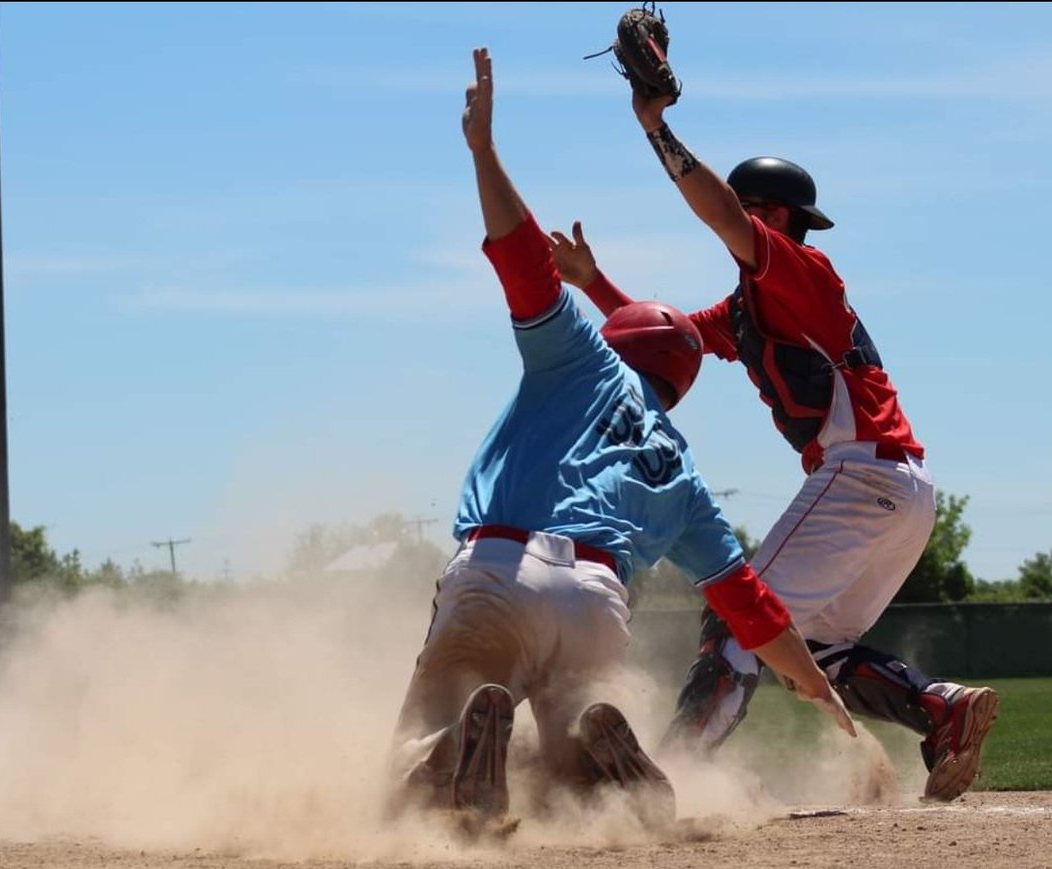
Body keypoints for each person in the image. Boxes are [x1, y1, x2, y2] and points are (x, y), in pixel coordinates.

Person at [387, 47, 856, 833]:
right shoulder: (682, 471)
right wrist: (814, 682)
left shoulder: (581, 353)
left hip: (501, 567)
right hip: (599, 603)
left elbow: (522, 258)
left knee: (412, 751)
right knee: (564, 784)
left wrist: (484, 151)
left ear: (617, 339)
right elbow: (751, 605)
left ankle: (446, 752)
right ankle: (596, 762)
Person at [546, 87, 998, 802]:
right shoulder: (749, 306)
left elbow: (720, 213)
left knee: (737, 612)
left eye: (744, 205)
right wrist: (593, 282)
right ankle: (940, 707)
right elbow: (670, 340)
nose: (733, 214)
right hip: (896, 487)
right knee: (810, 649)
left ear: (773, 216)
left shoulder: (797, 269)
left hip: (860, 476)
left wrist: (657, 129)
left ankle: (673, 774)